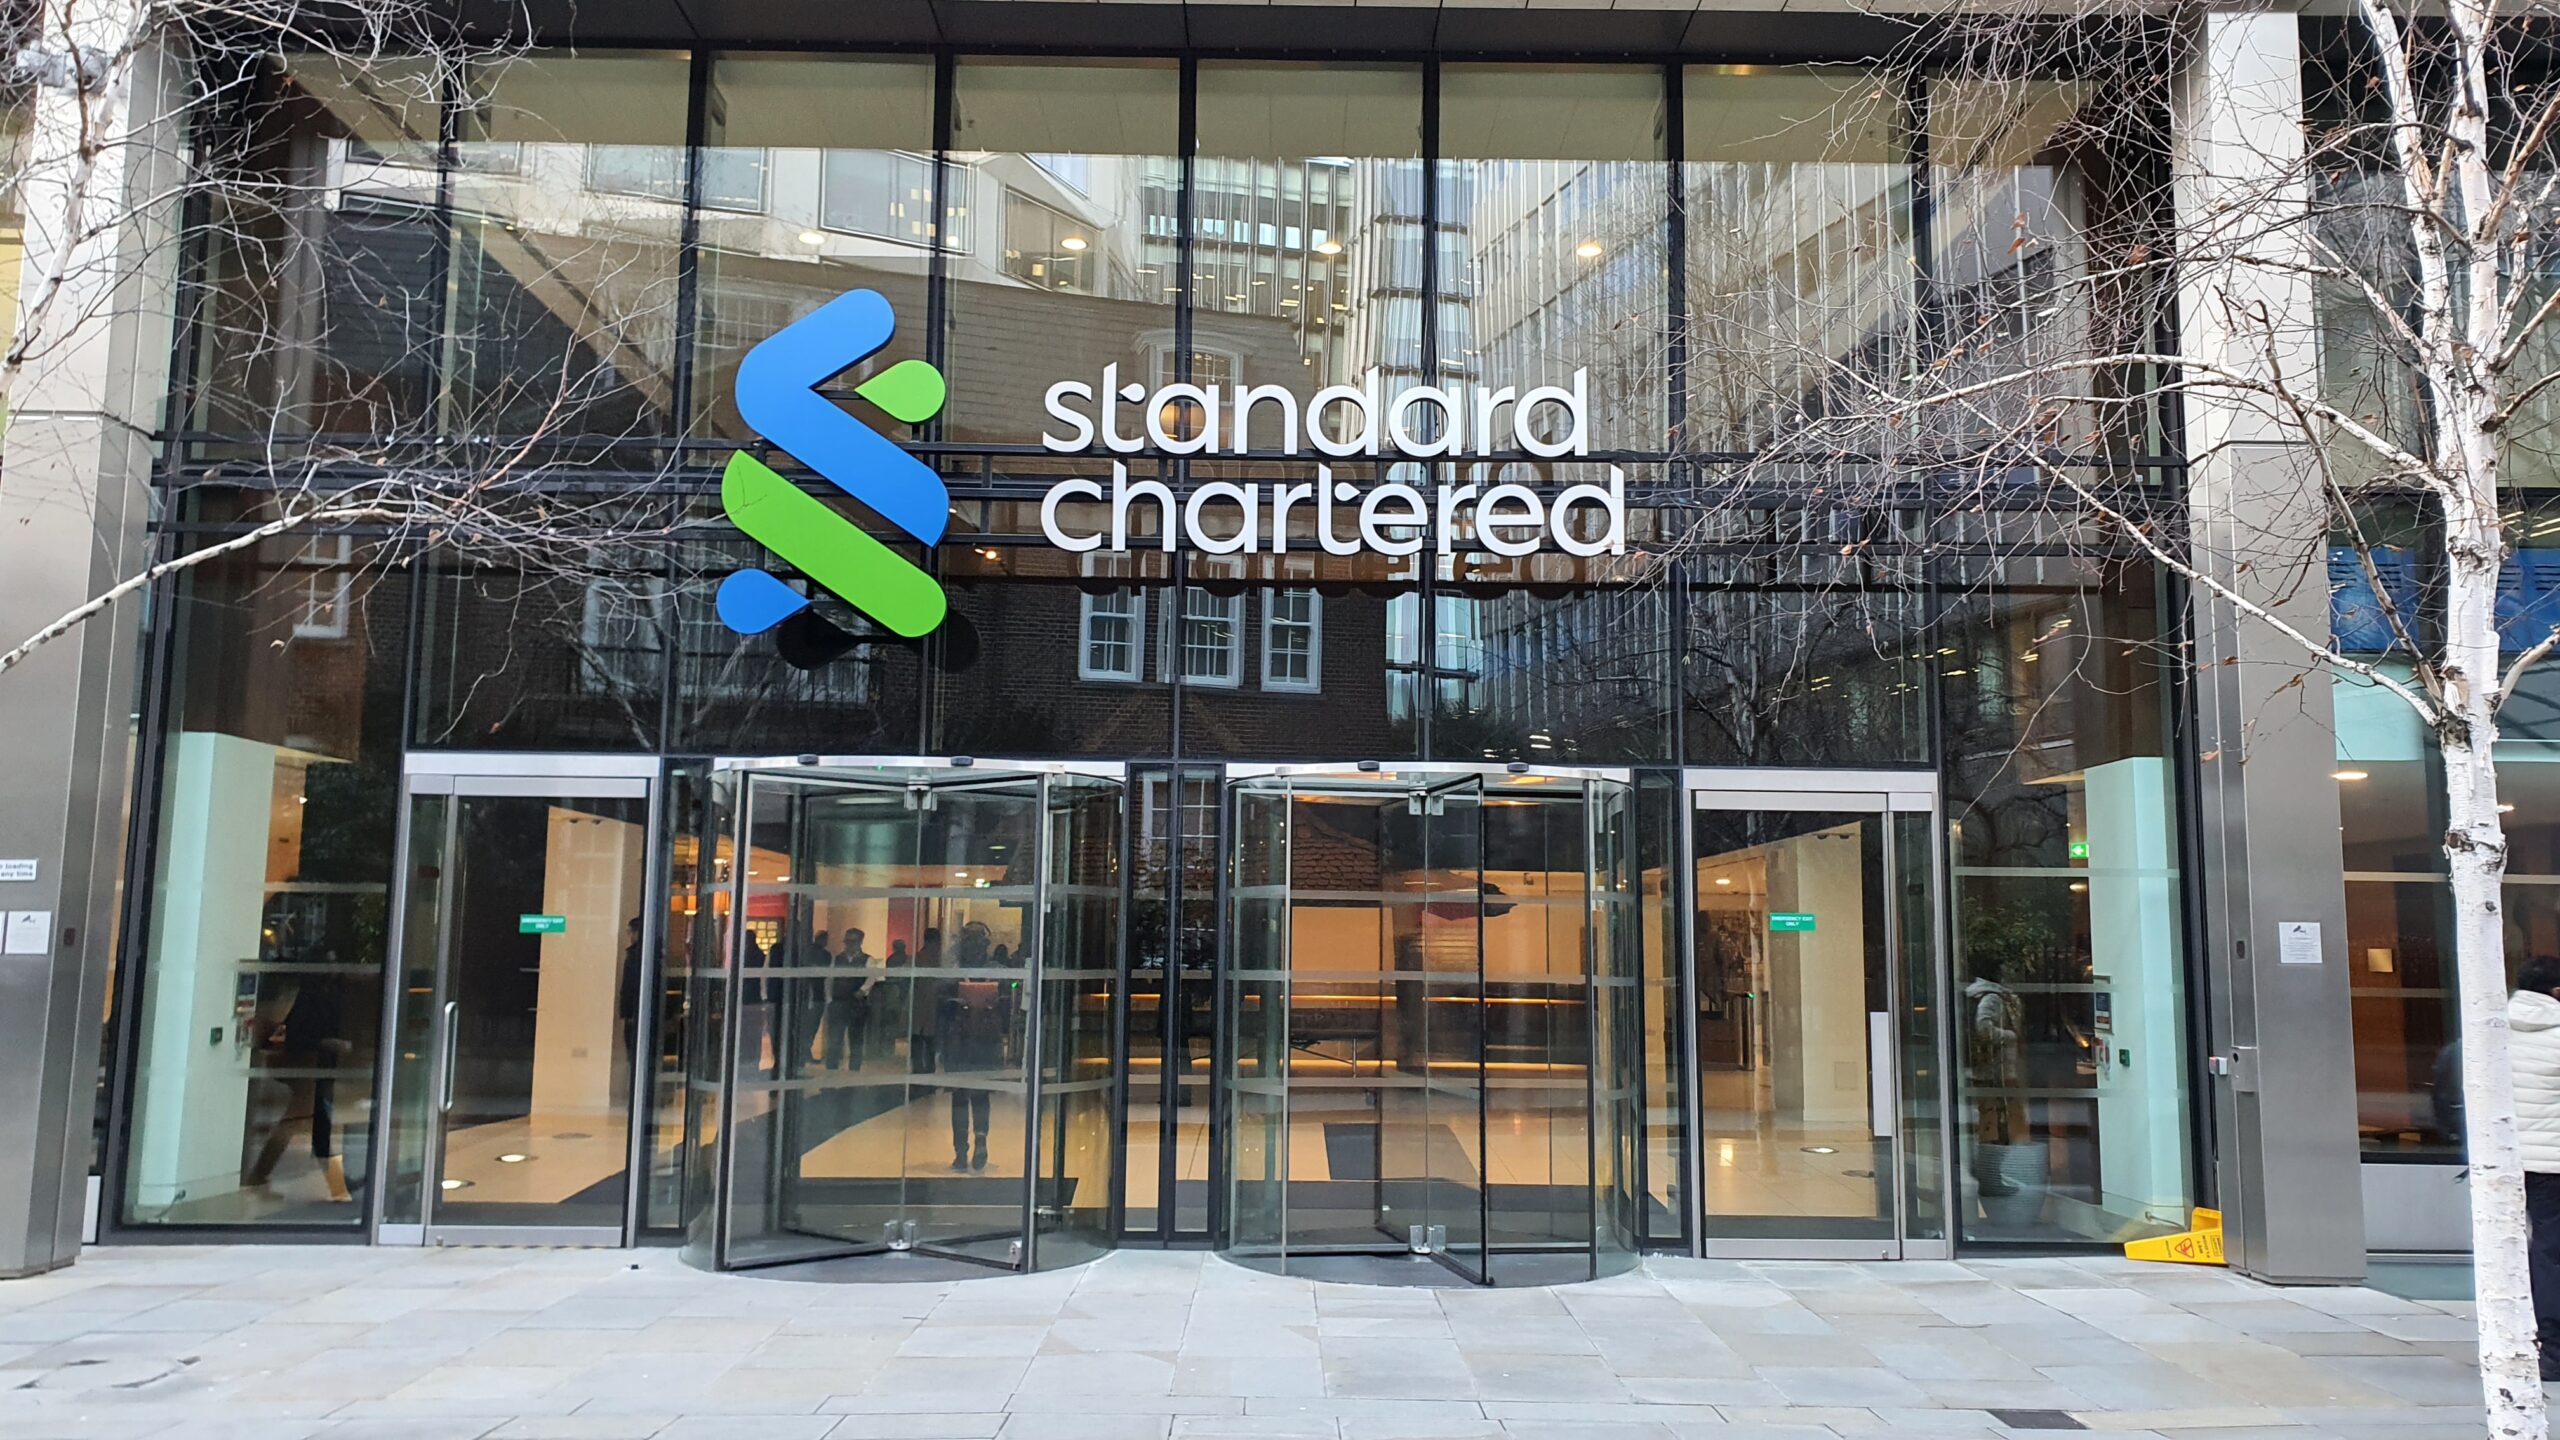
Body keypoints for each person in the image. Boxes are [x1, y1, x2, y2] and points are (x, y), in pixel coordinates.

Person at [2509, 954, 2560, 1379]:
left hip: (2503, 1162)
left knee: (2515, 1250)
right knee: (2549, 1250)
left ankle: (2517, 1337)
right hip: (2553, 1163)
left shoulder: (2488, 1028)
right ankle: (2553, 1349)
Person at [940, 928, 1010, 1172]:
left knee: (973, 1096)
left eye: (978, 942)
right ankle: (964, 1148)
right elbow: (941, 1004)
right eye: (971, 942)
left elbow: (1007, 1001)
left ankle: (975, 1144)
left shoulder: (995, 970)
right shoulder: (954, 970)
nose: (975, 947)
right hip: (962, 1040)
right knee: (967, 1096)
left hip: (980, 1040)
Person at [824, 927, 873, 1071]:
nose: (849, 944)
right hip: (838, 1002)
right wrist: (829, 999)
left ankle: (854, 1068)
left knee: (856, 1038)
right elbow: (829, 979)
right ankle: (832, 1067)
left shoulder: (867, 960)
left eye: (853, 941)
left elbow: (871, 977)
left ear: (860, 942)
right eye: (847, 941)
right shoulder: (837, 959)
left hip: (856, 1004)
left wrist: (862, 990)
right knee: (835, 1038)